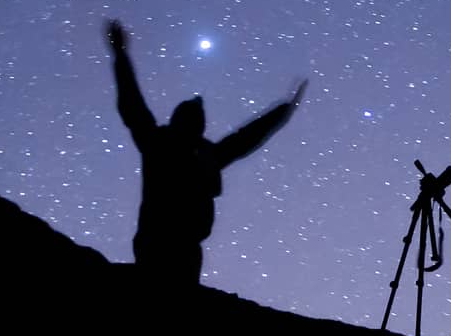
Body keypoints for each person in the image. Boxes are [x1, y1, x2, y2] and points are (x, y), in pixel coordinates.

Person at [105, 19, 307, 284]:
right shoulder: (164, 143)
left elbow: (245, 138)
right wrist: (120, 55)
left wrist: (282, 111)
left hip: (181, 248)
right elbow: (132, 104)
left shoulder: (187, 149)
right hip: (160, 242)